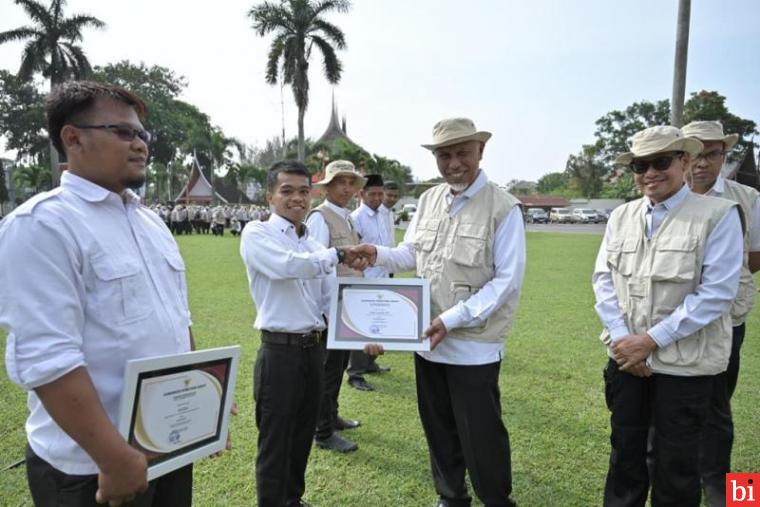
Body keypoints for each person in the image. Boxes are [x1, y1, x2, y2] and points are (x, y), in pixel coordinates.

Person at [0, 81, 196, 506]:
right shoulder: (42, 226)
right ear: (73, 138)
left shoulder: (151, 223)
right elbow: (48, 359)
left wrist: (200, 401)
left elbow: (179, 319)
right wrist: (112, 457)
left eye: (143, 134)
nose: (141, 144)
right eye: (124, 132)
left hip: (165, 444)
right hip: (91, 466)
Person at [352, 118, 525, 507]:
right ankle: (450, 497)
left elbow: (506, 282)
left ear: (481, 152)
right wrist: (376, 253)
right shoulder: (429, 200)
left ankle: (496, 499)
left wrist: (452, 319)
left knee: (480, 433)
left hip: (472, 344)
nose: (453, 163)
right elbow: (413, 252)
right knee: (438, 428)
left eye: (462, 152)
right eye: (444, 155)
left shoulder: (503, 207)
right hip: (426, 339)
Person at [592, 125, 743, 507]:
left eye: (660, 162)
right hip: (629, 358)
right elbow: (603, 281)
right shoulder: (622, 216)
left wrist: (648, 342)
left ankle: (737, 496)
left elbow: (719, 291)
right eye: (640, 165)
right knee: (625, 456)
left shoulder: (726, 210)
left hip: (689, 361)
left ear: (685, 161)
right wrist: (626, 341)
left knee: (681, 463)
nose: (649, 173)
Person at [240, 160, 369, 506]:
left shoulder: (312, 244)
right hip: (279, 353)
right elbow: (288, 267)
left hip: (314, 352)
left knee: (300, 437)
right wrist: (340, 253)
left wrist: (367, 332)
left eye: (302, 191)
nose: (297, 198)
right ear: (270, 196)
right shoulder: (257, 234)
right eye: (287, 191)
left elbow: (331, 299)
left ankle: (292, 500)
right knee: (275, 442)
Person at [681, 120, 760, 505]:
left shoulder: (747, 197)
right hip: (672, 318)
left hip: (727, 319)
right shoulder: (669, 196)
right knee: (670, 405)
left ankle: (722, 488)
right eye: (694, 154)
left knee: (716, 405)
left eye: (711, 154)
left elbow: (755, 256)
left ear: (724, 156)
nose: (701, 163)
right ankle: (679, 475)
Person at [306, 160, 367, 453]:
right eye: (339, 182)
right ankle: (323, 431)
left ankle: (332, 416)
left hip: (347, 307)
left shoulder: (348, 217)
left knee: (339, 366)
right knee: (328, 370)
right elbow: (317, 266)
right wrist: (322, 313)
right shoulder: (321, 217)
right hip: (330, 309)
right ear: (326, 187)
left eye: (350, 182)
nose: (346, 188)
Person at [346, 174, 392, 388]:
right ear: (361, 194)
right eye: (372, 193)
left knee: (379, 323)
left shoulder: (382, 215)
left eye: (379, 193)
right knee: (363, 326)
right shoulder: (356, 218)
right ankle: (355, 373)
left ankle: (370, 363)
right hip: (365, 279)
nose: (376, 197)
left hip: (383, 276)